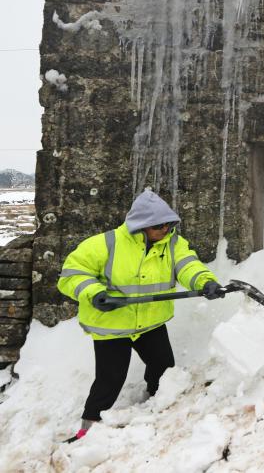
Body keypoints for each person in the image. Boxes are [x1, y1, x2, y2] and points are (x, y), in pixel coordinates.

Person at [57, 189, 224, 442]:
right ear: (142, 226)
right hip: (112, 325)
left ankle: (157, 409)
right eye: (160, 226)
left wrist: (205, 282)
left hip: (150, 323)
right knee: (110, 379)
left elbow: (188, 265)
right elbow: (71, 275)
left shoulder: (173, 244)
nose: (166, 230)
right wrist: (95, 293)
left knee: (163, 368)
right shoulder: (105, 243)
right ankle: (87, 429)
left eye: (169, 225)